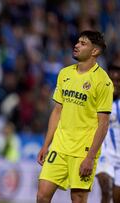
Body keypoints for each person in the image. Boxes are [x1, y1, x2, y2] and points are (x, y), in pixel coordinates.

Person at [36, 30, 113, 203]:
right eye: (77, 42)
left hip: (83, 150)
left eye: (83, 43)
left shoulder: (103, 82)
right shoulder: (65, 73)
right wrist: (46, 145)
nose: (76, 45)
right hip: (60, 146)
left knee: (78, 199)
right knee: (42, 195)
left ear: (95, 51)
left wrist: (90, 157)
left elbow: (103, 124)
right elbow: (57, 111)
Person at [95, 64, 120, 203]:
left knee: (116, 197)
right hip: (103, 153)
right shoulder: (98, 100)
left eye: (118, 81)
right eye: (112, 80)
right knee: (106, 189)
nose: (115, 84)